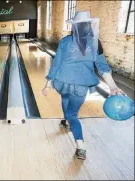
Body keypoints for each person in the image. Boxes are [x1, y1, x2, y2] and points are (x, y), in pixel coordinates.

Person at [42, 11, 123, 160]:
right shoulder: (95, 43)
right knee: (73, 113)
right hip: (81, 86)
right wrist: (112, 87)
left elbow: (56, 64)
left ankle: (72, 128)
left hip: (62, 82)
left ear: (74, 26)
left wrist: (48, 84)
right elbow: (103, 68)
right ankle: (79, 144)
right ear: (89, 26)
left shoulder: (66, 41)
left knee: (66, 100)